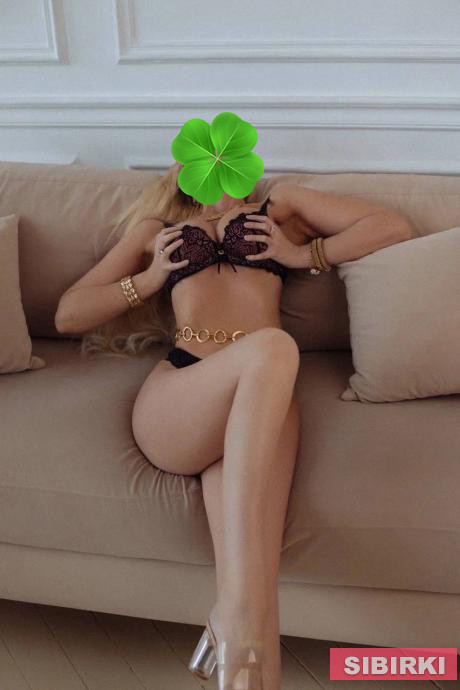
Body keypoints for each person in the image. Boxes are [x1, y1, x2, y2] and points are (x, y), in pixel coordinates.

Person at [55, 160, 413, 690]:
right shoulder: (157, 231)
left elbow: (390, 227)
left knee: (255, 585)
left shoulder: (280, 208)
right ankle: (232, 616)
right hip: (184, 394)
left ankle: (238, 639)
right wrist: (150, 278)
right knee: (274, 346)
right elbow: (68, 313)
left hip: (262, 402)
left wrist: (302, 255)